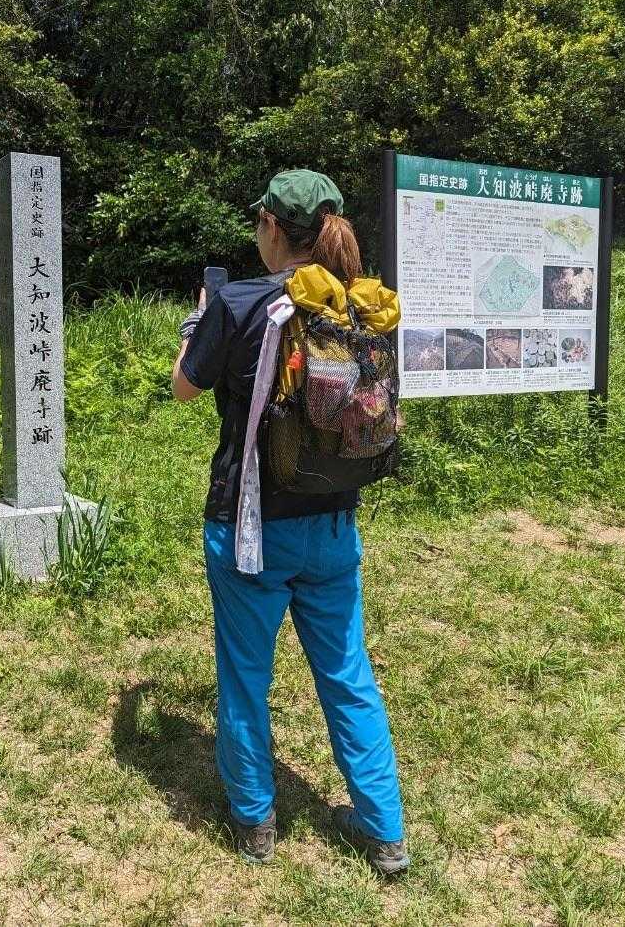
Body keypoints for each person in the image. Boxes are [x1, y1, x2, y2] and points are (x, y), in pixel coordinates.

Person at [171, 170, 409, 876]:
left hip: (251, 529)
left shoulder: (240, 302)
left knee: (246, 674)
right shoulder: (356, 305)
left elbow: (184, 387)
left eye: (259, 222)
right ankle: (384, 830)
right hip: (333, 526)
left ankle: (254, 823)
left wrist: (198, 323)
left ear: (273, 227)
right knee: (347, 673)